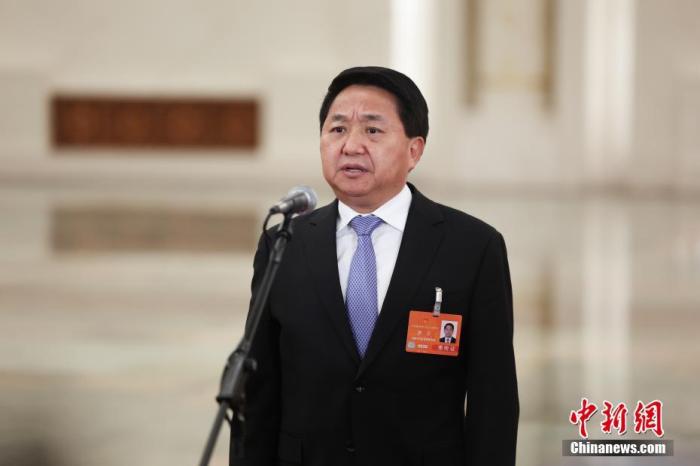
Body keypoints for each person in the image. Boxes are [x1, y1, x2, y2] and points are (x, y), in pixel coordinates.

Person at [233, 66, 519, 466]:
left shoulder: (472, 247)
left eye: (372, 130)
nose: (351, 146)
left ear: (414, 150)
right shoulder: (284, 244)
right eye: (337, 129)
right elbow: (259, 392)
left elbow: (494, 400)